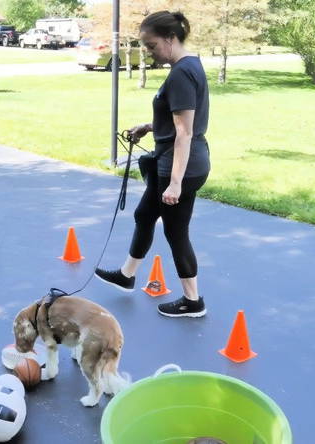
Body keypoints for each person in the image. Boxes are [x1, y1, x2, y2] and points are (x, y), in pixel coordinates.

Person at [95, 10, 210, 318]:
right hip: (179, 159)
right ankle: (127, 274)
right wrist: (149, 126)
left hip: (179, 165)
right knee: (145, 214)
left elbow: (184, 132)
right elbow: (180, 121)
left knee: (176, 232)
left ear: (171, 39)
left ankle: (193, 301)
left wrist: (175, 182)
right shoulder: (190, 66)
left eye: (152, 45)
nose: (149, 51)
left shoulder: (181, 74)